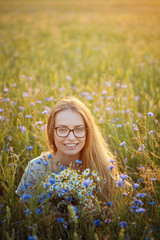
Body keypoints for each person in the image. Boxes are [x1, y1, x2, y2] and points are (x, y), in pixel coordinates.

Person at [16, 97, 119, 203]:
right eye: (62, 130)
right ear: (52, 132)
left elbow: (115, 213)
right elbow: (23, 215)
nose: (71, 137)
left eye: (79, 129)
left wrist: (97, 214)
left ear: (88, 132)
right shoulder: (36, 168)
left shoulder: (103, 166)